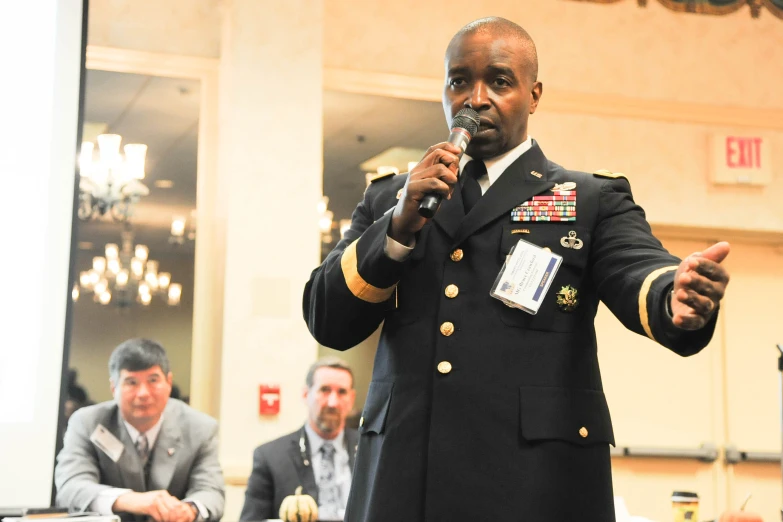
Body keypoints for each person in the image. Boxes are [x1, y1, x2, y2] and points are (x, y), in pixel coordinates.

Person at [302, 16, 731, 522]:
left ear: (533, 94)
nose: (475, 98)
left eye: (499, 81)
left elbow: (639, 269)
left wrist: (674, 296)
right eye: (459, 80)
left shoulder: (587, 199)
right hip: (406, 478)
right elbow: (327, 317)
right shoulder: (391, 197)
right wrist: (396, 229)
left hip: (535, 482)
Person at [55, 338, 225, 522]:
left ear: (169, 382)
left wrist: (189, 509)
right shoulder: (88, 422)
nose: (143, 393)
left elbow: (211, 492)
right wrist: (131, 500)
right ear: (114, 387)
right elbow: (70, 487)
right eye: (131, 382)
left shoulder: (200, 427)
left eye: (153, 380)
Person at [239, 358, 358, 522]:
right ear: (305, 394)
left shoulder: (371, 451)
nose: (333, 402)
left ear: (351, 398)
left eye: (341, 392)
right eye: (324, 390)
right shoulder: (270, 456)